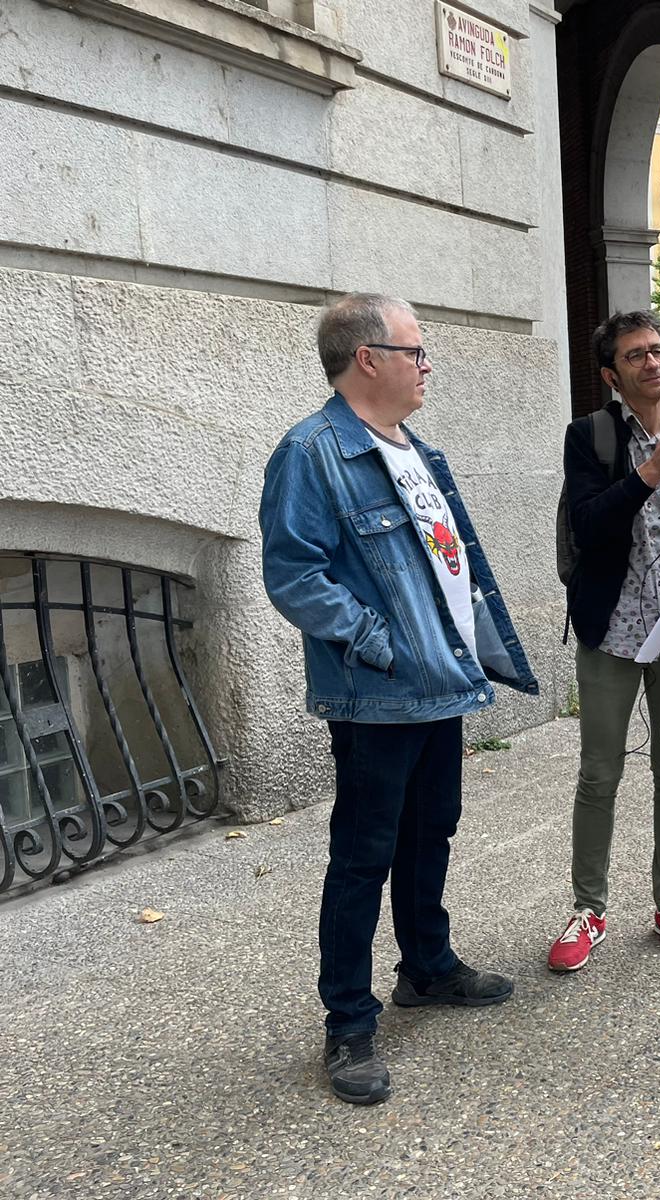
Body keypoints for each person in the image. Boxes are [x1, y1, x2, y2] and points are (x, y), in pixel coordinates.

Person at [259, 294, 540, 1106]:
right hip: (380, 694)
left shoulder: (414, 449)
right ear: (367, 358)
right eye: (416, 350)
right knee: (362, 856)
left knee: (431, 831)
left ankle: (428, 966)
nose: (427, 365)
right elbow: (294, 575)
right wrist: (381, 645)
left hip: (440, 685)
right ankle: (348, 1021)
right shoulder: (313, 452)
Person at [550, 311, 660, 974]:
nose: (654, 364)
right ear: (611, 373)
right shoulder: (590, 437)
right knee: (600, 772)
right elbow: (592, 526)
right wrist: (651, 471)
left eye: (658, 351)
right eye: (636, 356)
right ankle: (588, 909)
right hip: (611, 631)